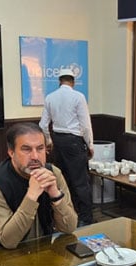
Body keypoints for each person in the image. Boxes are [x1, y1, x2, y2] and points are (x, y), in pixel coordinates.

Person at [0, 122, 77, 251]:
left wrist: (55, 195)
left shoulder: (53, 173)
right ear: (11, 152)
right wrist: (31, 196)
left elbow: (69, 228)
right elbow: (8, 241)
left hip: (41, 251)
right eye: (26, 149)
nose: (35, 156)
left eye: (40, 148)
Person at [39, 68, 94, 226]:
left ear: (59, 81)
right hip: (74, 142)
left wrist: (49, 141)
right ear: (73, 81)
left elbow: (43, 125)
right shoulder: (78, 97)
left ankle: (67, 215)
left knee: (62, 179)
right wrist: (90, 144)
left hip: (58, 141)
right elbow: (85, 125)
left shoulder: (50, 97)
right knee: (81, 181)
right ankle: (86, 218)